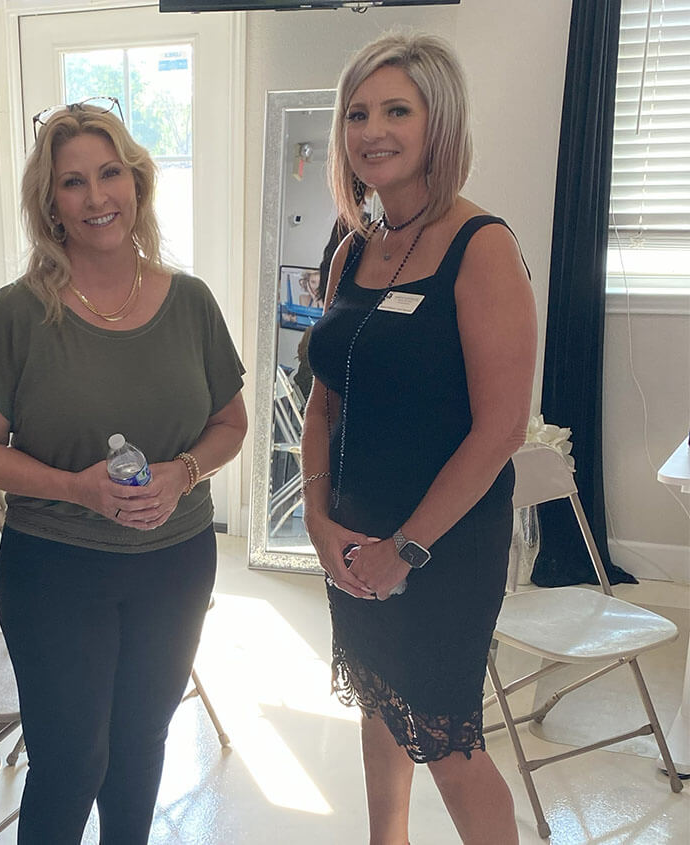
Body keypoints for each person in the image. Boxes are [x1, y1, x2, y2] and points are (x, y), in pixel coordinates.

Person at [0, 98, 246, 845]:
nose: (96, 197)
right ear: (50, 204)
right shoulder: (19, 314)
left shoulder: (191, 303)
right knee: (71, 760)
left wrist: (183, 472)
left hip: (175, 563)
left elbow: (231, 423)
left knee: (142, 746)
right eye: (72, 182)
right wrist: (76, 487)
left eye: (109, 173)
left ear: (137, 183)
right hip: (56, 568)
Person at [302, 32, 536, 844]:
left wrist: (405, 546)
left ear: (440, 122)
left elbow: (501, 426)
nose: (372, 130)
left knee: (446, 736)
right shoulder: (353, 249)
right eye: (358, 113)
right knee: (375, 693)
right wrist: (318, 515)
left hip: (442, 542)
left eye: (397, 109)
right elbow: (323, 403)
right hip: (354, 530)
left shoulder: (484, 247)